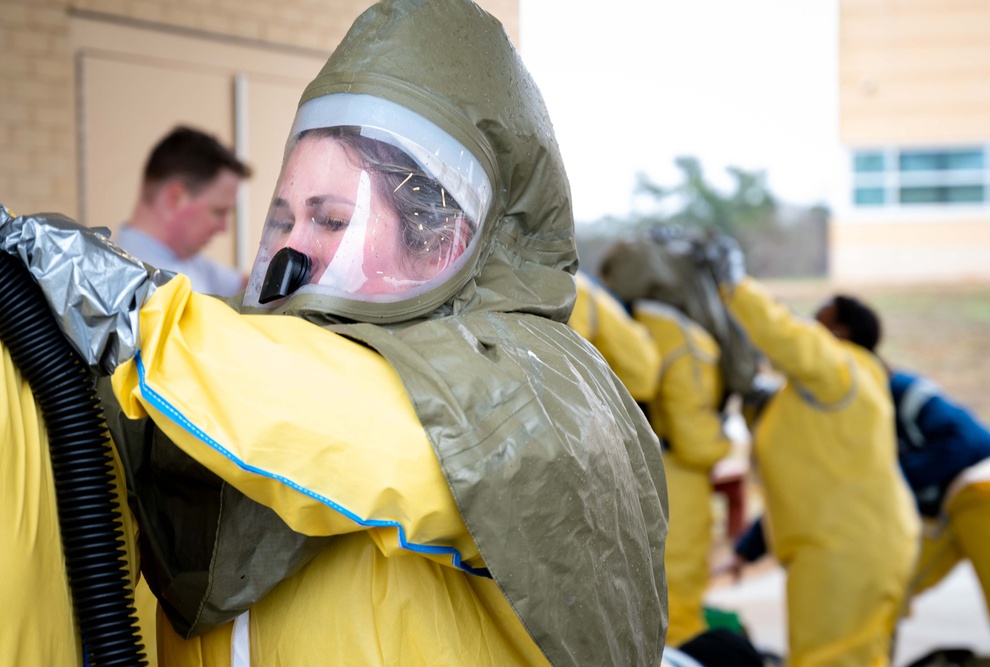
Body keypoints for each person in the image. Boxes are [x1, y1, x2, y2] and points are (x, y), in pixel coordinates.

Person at [0, 1, 670, 665]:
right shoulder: (222, 368)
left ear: (444, 237)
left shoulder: (543, 382)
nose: (293, 252)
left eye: (330, 220)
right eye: (283, 220)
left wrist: (129, 313)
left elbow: (359, 425)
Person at [706, 237, 919, 667]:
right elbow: (804, 470)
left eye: (817, 320)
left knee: (829, 660)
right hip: (852, 548)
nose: (807, 324)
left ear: (838, 333)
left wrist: (735, 284)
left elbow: (787, 335)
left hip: (846, 553)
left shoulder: (841, 367)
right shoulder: (835, 389)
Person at [599, 248, 734, 648]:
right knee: (676, 611)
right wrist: (722, 441)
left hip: (622, 477)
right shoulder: (685, 338)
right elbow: (696, 444)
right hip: (677, 486)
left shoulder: (621, 322)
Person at [890, 366, 990, 651]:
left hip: (985, 489)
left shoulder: (900, 389)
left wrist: (894, 480)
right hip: (949, 509)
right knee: (887, 588)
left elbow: (960, 441)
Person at [116, 125, 251, 296]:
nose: (224, 227)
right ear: (176, 197)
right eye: (218, 212)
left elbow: (248, 285)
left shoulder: (186, 259)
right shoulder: (136, 286)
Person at [568, 270, 659, 403]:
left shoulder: (570, 287)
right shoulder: (575, 279)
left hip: (631, 371)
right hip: (639, 359)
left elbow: (573, 342)